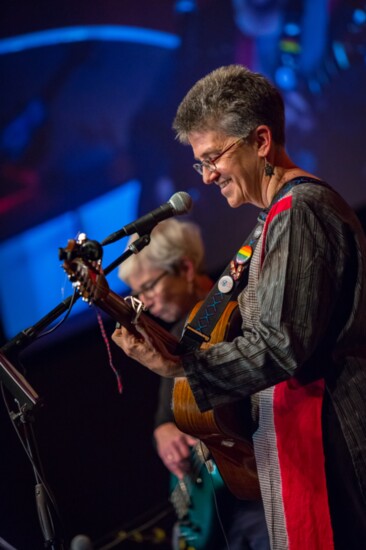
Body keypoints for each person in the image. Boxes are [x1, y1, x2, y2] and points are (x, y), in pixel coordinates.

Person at [112, 65, 366, 549]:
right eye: (199, 163)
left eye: (213, 157)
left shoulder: (301, 210)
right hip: (300, 442)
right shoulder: (273, 220)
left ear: (262, 141)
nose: (206, 176)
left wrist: (180, 365)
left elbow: (279, 345)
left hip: (330, 442)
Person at [117, 218, 270, 550]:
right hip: (219, 504)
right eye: (136, 294)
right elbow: (164, 416)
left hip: (263, 487)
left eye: (148, 288)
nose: (145, 302)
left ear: (186, 268)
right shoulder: (174, 336)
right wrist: (164, 433)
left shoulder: (238, 309)